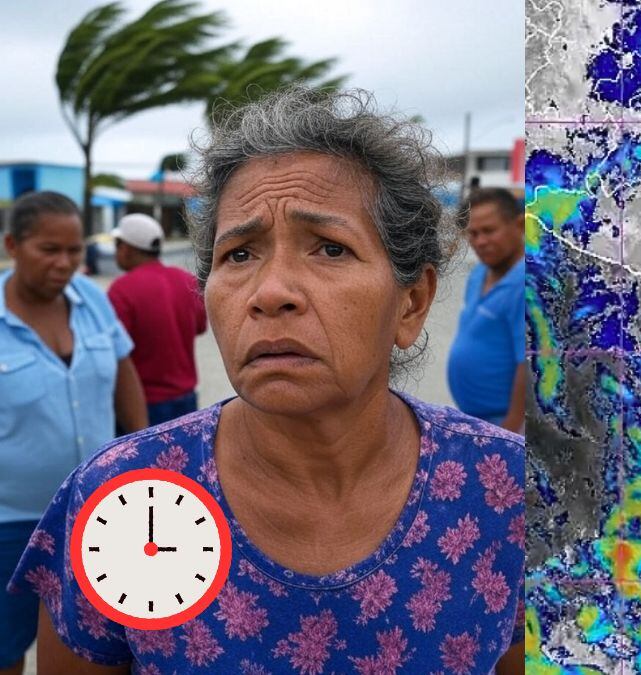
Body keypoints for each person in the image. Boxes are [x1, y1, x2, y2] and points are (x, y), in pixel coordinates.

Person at [8, 89, 524, 674]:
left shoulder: (506, 492)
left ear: (412, 301)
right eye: (238, 254)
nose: (270, 292)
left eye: (330, 248)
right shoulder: (130, 500)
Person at [0, 191, 148, 675]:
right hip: (12, 524)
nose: (64, 263)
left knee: (102, 642)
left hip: (99, 513)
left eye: (75, 250)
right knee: (7, 646)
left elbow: (124, 370)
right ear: (12, 246)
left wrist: (144, 452)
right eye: (49, 249)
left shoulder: (90, 300)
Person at [107, 213, 208, 427]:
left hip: (142, 404)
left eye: (117, 245)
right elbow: (199, 327)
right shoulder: (186, 280)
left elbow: (113, 351)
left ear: (126, 248)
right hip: (187, 401)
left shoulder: (122, 289)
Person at [447, 188, 526, 432]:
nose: (480, 241)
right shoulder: (479, 273)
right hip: (477, 420)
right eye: (473, 233)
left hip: (507, 425)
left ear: (520, 225)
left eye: (489, 231)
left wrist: (511, 430)